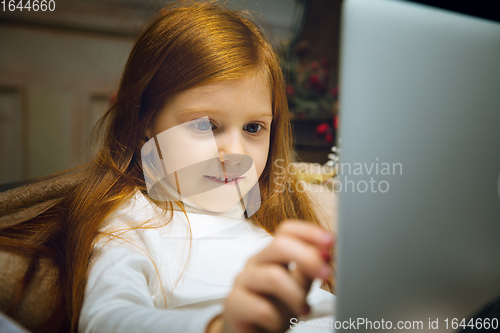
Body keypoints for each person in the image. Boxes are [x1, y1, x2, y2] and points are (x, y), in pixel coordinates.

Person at [0, 2, 335, 333]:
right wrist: (219, 326)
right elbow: (106, 318)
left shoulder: (267, 218)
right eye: (206, 125)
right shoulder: (137, 220)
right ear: (147, 122)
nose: (235, 153)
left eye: (253, 128)